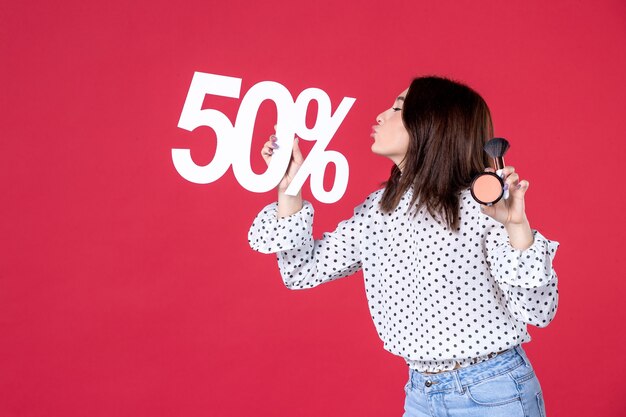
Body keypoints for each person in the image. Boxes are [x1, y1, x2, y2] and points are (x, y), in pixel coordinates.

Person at [248, 76, 559, 417]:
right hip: (421, 395)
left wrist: (515, 225)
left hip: (492, 392)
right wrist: (290, 187)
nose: (381, 115)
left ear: (433, 125)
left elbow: (538, 313)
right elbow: (301, 270)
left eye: (398, 108)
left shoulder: (483, 204)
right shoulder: (378, 210)